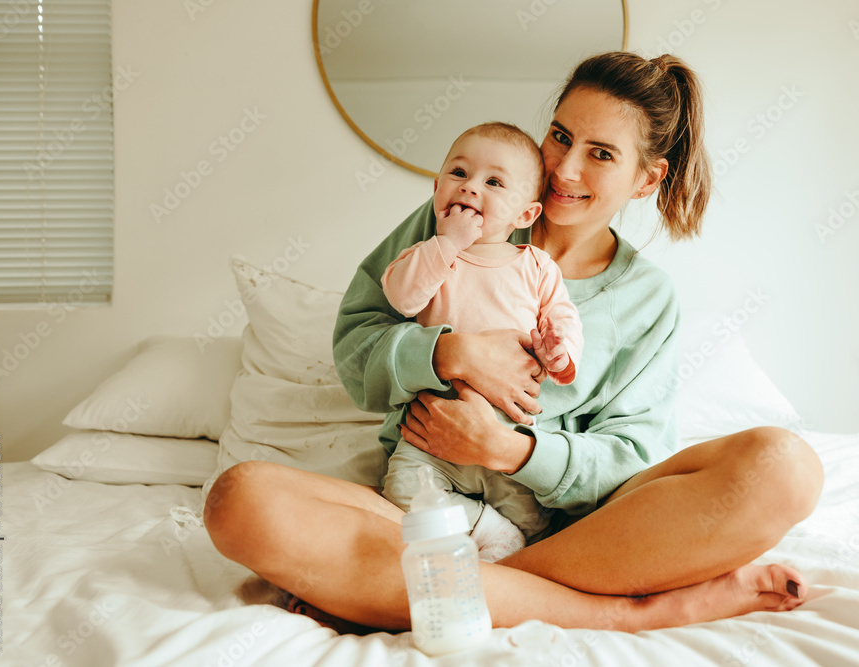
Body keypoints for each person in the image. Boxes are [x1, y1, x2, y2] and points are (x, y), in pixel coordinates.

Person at [204, 51, 825, 633]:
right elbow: (356, 341)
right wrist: (447, 352)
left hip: (575, 535)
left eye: (601, 153)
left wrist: (510, 450)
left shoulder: (647, 297)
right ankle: (608, 610)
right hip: (428, 499)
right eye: (560, 136)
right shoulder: (465, 213)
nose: (564, 168)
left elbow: (630, 455)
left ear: (646, 179)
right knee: (240, 501)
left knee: (786, 469)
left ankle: (436, 590)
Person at [380, 121, 584, 563]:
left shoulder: (537, 267)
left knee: (536, 524)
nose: (470, 187)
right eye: (458, 173)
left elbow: (563, 320)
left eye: (493, 182)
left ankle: (504, 556)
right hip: (430, 433)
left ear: (525, 216)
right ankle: (484, 528)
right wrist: (447, 242)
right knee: (401, 492)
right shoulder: (430, 256)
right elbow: (402, 296)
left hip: (507, 433)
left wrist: (557, 351)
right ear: (437, 190)